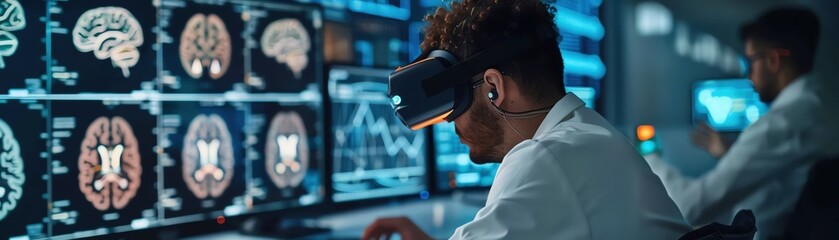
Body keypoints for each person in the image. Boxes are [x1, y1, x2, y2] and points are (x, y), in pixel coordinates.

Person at [362, 0, 691, 239]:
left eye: (454, 103)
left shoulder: (545, 159)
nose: (449, 121)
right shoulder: (587, 135)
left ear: (494, 88)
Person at [645, 7, 839, 239]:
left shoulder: (778, 126)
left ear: (773, 60)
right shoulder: (822, 108)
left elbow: (689, 207)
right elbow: (782, 172)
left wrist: (649, 157)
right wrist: (732, 153)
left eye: (750, 61)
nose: (748, 76)